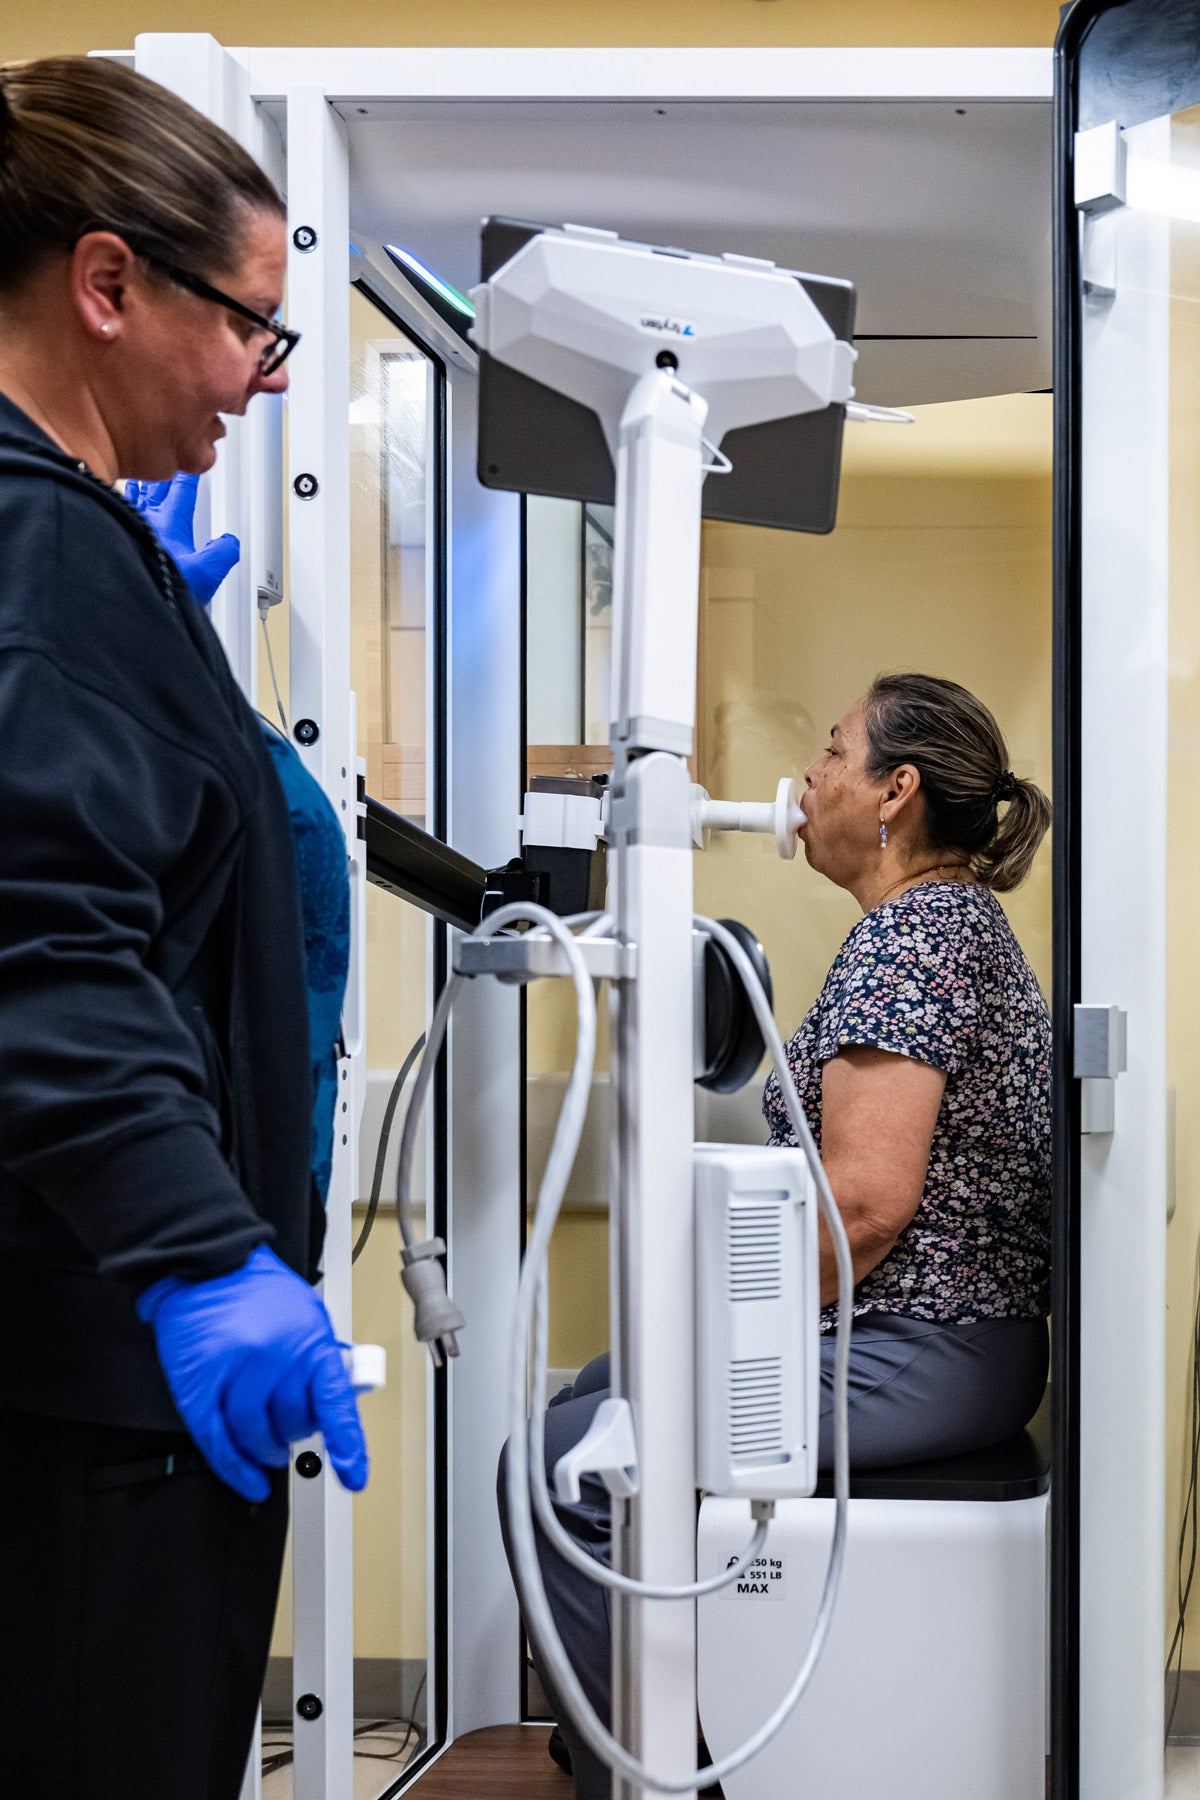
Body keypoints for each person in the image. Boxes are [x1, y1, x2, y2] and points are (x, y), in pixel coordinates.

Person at [0, 56, 367, 1800]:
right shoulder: (38, 549)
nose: (257, 380)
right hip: (95, 1372)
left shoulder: (75, 545)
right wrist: (198, 1256)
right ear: (106, 282)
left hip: (104, 1360)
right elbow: (45, 943)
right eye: (250, 327)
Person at [504, 671, 1053, 1799]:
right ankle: (639, 1728)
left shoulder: (915, 937)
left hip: (924, 1344)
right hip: (946, 1337)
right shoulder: (942, 927)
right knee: (592, 1397)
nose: (809, 774)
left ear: (895, 792)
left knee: (560, 1468)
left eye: (834, 749)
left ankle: (663, 1774)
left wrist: (714, 1330)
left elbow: (864, 1205)